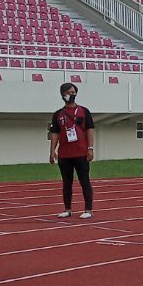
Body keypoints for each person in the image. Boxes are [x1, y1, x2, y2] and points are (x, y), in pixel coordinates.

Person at [48, 83, 95, 219]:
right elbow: (55, 133)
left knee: (84, 181)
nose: (71, 94)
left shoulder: (84, 111)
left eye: (73, 92)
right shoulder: (58, 114)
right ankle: (67, 209)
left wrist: (90, 148)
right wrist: (52, 151)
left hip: (81, 153)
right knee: (66, 182)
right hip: (65, 154)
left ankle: (88, 209)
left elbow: (90, 130)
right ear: (63, 94)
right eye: (69, 92)